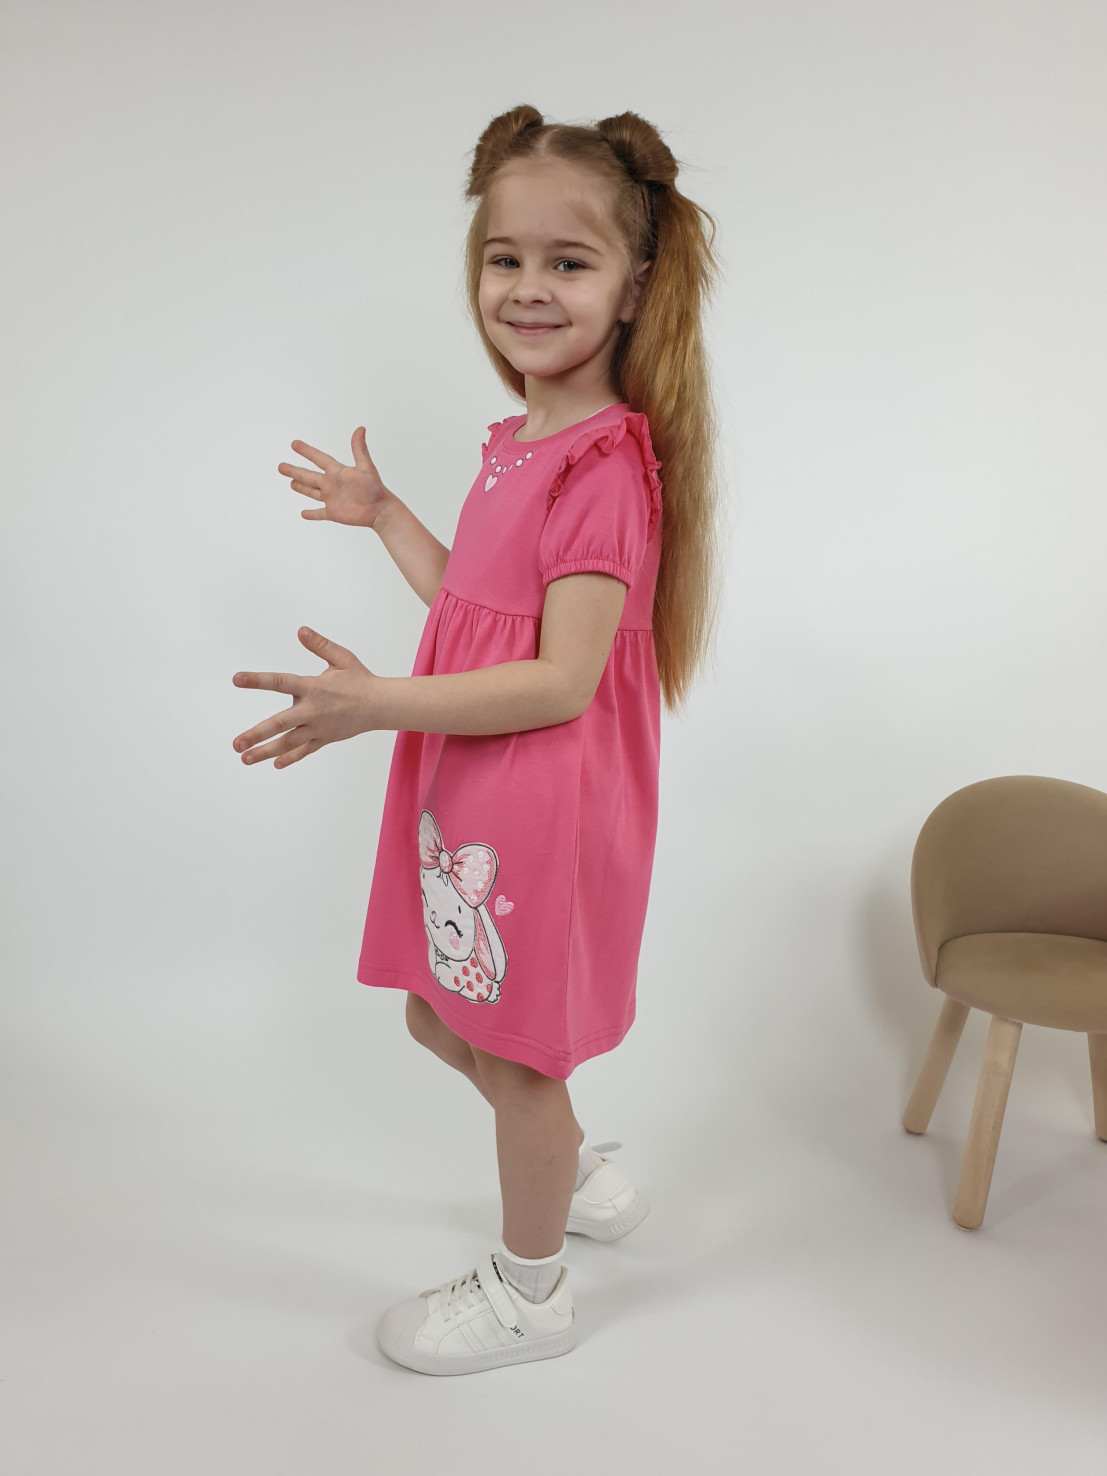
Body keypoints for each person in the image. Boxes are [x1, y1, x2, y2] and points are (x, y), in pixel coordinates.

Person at [231, 104, 724, 1376]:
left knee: (513, 1049)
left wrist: (374, 704)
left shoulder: (602, 470)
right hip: (476, 790)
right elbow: (476, 607)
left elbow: (560, 681)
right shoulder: (521, 444)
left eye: (570, 261)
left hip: (542, 802)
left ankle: (531, 1291)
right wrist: (385, 511)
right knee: (437, 1015)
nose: (528, 286)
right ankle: (572, 1161)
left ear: (636, 286)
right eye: (506, 257)